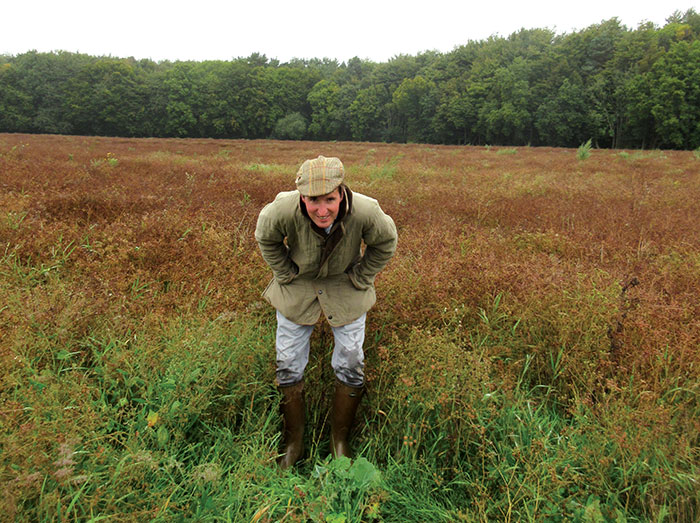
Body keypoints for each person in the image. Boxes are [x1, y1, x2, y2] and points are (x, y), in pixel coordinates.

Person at [255, 155, 397, 469]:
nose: (322, 210)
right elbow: (265, 237)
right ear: (301, 197)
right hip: (298, 286)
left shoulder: (366, 210)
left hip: (346, 287)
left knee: (350, 360)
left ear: (341, 192)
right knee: (288, 362)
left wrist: (362, 277)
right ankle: (293, 443)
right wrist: (285, 274)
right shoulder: (280, 210)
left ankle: (340, 444)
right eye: (312, 201)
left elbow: (386, 242)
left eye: (330, 200)